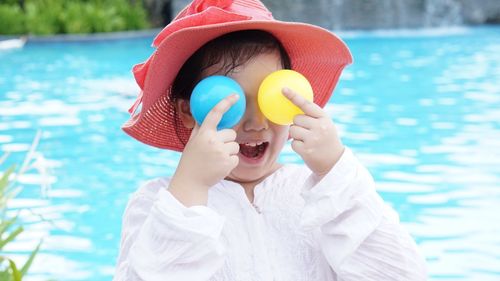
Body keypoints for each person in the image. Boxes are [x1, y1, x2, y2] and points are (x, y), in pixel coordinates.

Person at [114, 0, 427, 280]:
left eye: (272, 97)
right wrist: (189, 190)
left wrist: (336, 171)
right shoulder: (158, 203)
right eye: (231, 102)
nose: (256, 122)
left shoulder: (325, 196)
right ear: (187, 110)